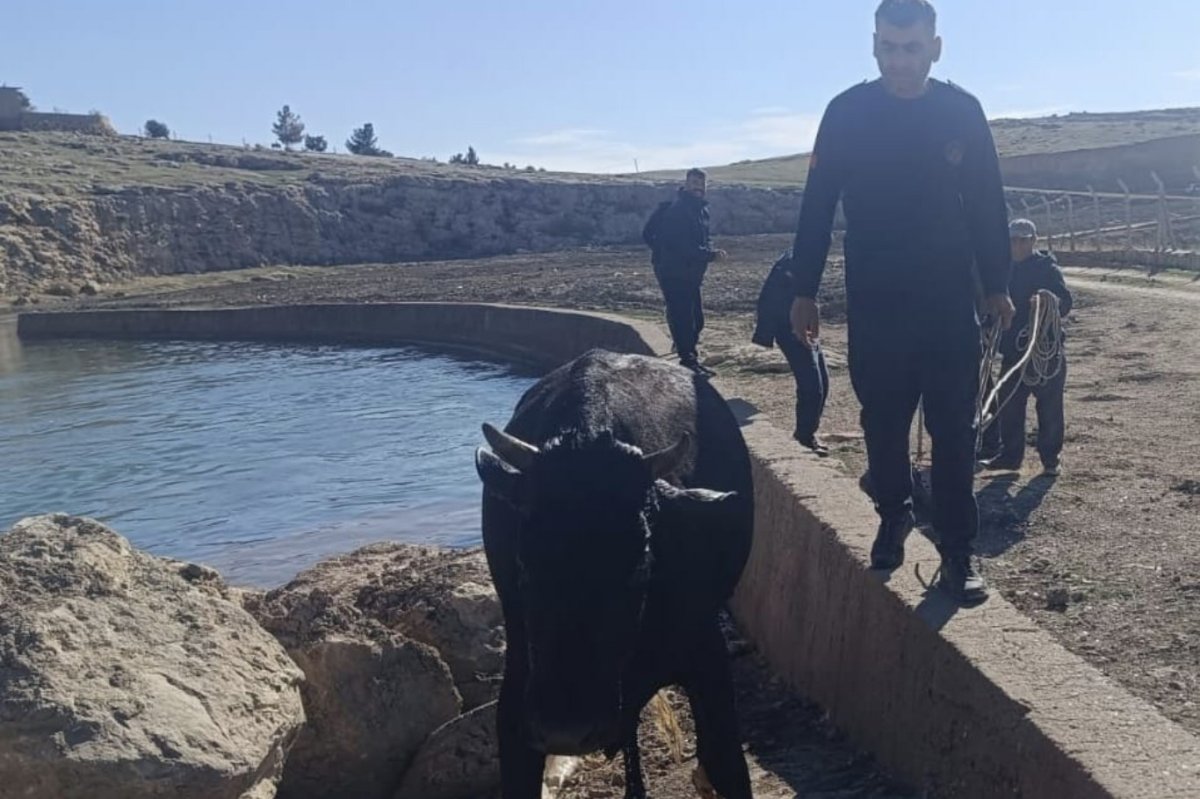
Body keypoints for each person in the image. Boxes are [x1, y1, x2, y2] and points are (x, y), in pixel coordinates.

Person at [785, 0, 1014, 604]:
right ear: (874, 45)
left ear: (934, 48)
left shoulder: (961, 112)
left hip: (945, 303)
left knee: (954, 430)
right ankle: (893, 513)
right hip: (876, 302)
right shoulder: (846, 113)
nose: (899, 60)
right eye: (888, 47)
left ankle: (959, 552)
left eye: (911, 48)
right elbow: (816, 206)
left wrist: (997, 285)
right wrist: (803, 288)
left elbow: (988, 202)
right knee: (881, 423)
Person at [981, 219, 1073, 475]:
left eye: (1023, 240)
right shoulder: (1002, 271)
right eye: (1013, 240)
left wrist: (1047, 301)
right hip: (1013, 350)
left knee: (1050, 406)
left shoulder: (1047, 268)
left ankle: (1050, 458)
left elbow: (1065, 302)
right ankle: (1011, 456)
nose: (1018, 245)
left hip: (1046, 352)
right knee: (1008, 403)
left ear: (1033, 241)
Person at [642, 168, 727, 374]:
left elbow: (703, 239)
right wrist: (710, 255)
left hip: (691, 273)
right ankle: (688, 361)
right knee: (684, 317)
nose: (698, 187)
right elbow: (682, 245)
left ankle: (686, 351)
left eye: (702, 184)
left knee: (696, 319)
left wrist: (708, 251)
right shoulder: (677, 210)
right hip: (673, 272)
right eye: (694, 183)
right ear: (686, 185)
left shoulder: (701, 210)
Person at [752, 249, 831, 455]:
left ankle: (808, 432)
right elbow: (770, 300)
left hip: (803, 324)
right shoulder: (796, 261)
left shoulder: (803, 258)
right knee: (812, 385)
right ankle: (804, 437)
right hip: (790, 327)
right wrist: (765, 335)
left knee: (823, 380)